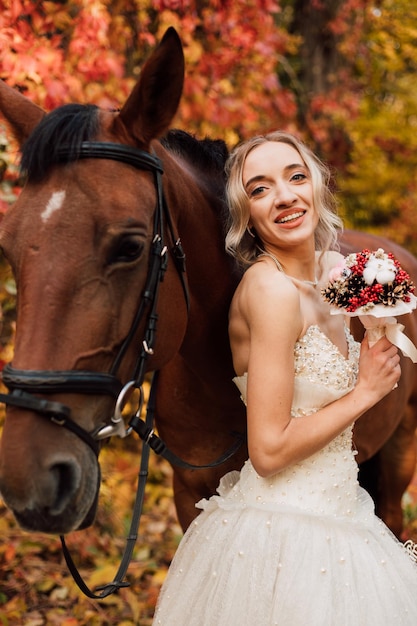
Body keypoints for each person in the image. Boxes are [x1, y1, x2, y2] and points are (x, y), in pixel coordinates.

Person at [152, 131, 417, 625]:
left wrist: (383, 322)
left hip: (344, 517)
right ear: (245, 213)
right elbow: (269, 452)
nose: (285, 195)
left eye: (296, 177)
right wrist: (365, 392)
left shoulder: (337, 272)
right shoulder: (269, 290)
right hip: (285, 531)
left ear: (317, 185)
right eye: (260, 188)